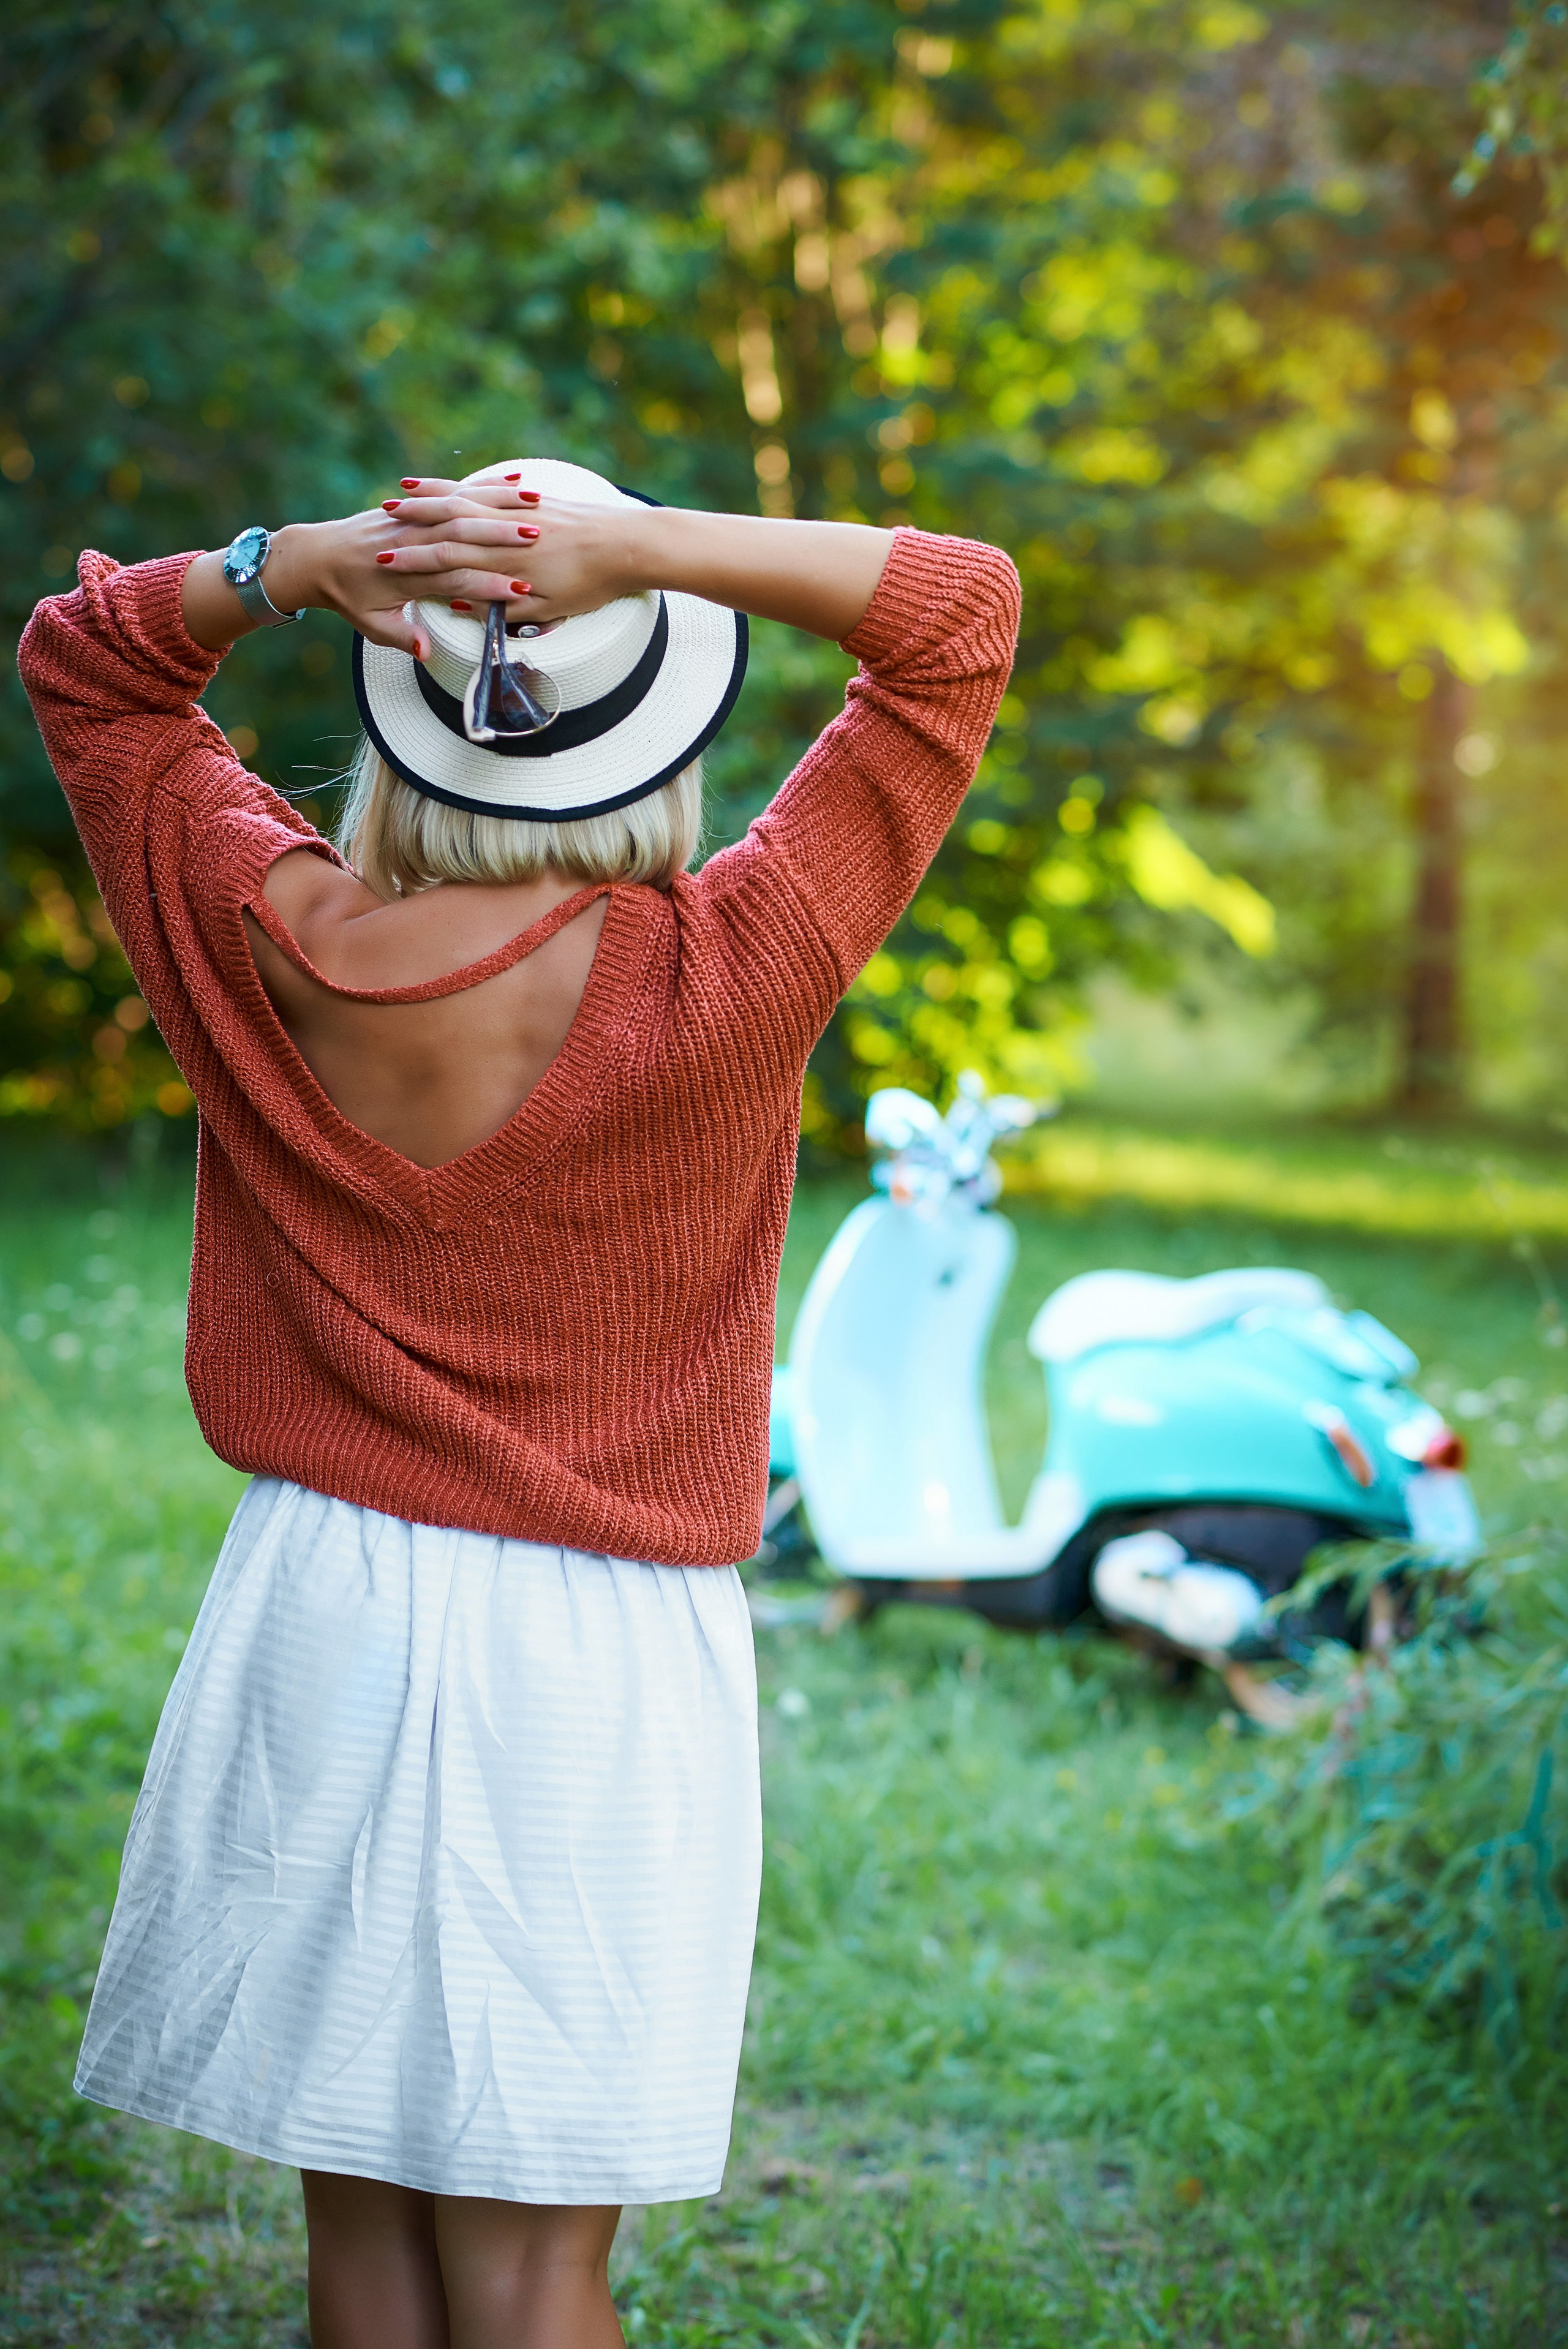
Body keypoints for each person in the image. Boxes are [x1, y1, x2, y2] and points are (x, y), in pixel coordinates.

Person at [19, 456, 1020, 2348]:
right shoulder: (735, 966)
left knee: (367, 2254)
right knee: (537, 2265)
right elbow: (956, 622)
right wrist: (633, 552)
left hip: (317, 1613)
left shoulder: (264, 937)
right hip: (596, 1656)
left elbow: (90, 666)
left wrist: (296, 565)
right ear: (656, 733)